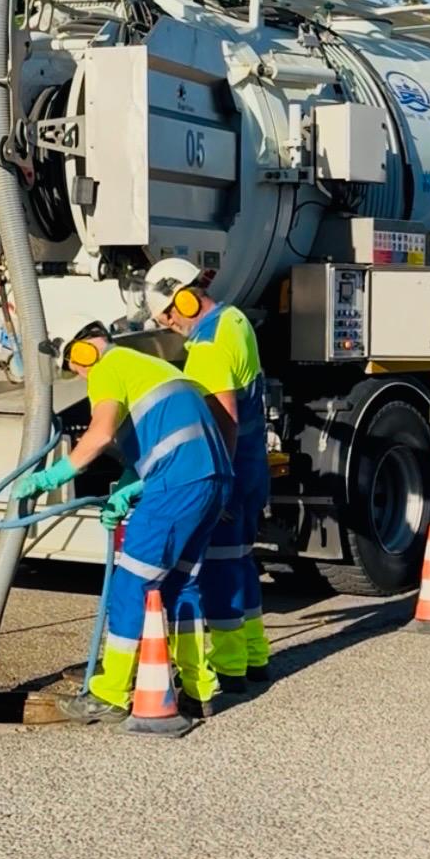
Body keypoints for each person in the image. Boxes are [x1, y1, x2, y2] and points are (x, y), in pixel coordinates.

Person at [21, 315, 233, 724]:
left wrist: (54, 476)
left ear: (86, 352)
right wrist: (128, 487)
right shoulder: (153, 368)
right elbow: (164, 438)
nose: (81, 377)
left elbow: (100, 434)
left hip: (179, 484)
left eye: (77, 367)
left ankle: (110, 694)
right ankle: (199, 689)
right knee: (181, 585)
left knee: (132, 583)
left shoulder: (108, 367)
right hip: (213, 480)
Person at [144, 258, 272, 690]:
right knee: (240, 562)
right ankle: (255, 656)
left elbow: (224, 420)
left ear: (183, 298)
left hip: (232, 474)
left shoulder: (208, 347)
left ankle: (232, 667)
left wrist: (219, 485)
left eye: (168, 315)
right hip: (253, 468)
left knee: (217, 569)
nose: (170, 324)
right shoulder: (235, 319)